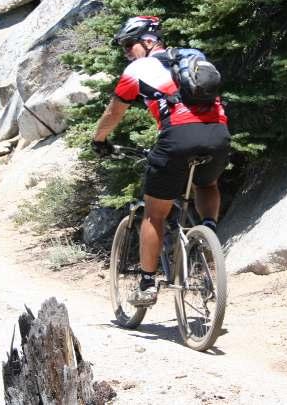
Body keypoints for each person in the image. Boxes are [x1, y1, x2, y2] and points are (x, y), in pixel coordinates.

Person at [92, 16, 230, 307]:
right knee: (207, 182)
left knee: (155, 214)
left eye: (130, 45)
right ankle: (208, 235)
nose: (127, 52)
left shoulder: (136, 70)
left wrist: (99, 139)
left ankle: (146, 284)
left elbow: (114, 112)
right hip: (219, 132)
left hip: (177, 137)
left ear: (149, 41)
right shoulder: (194, 57)